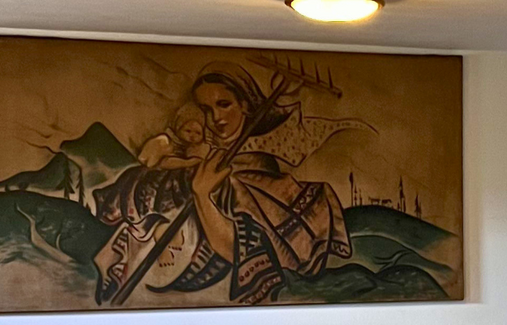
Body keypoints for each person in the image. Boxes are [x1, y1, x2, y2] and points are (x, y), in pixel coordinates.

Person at [93, 61, 351, 305]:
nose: (216, 117)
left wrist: (202, 195)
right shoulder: (199, 152)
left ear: (245, 105)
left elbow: (236, 247)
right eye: (206, 110)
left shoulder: (256, 165)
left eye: (224, 104)